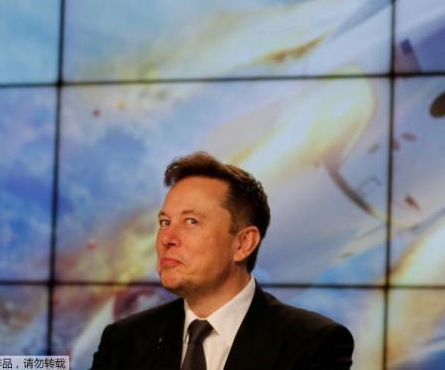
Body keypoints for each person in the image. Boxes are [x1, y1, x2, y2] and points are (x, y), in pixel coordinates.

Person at [91, 151, 354, 370]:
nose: (167, 238)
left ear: (243, 244)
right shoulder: (123, 341)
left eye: (191, 222)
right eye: (165, 222)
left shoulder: (312, 344)